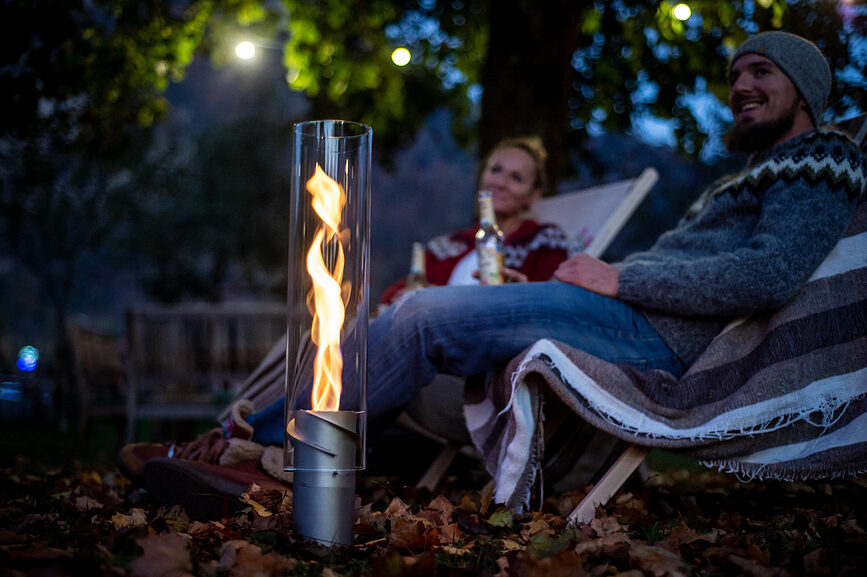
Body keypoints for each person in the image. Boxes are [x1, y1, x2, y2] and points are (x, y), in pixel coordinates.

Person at [123, 32, 865, 512]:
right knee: (393, 318)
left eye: (760, 72)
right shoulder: (749, 171)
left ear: (804, 89)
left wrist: (621, 279)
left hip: (650, 333)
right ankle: (250, 447)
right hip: (626, 312)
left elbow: (769, 274)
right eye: (735, 73)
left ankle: (264, 454)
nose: (740, 84)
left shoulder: (820, 157)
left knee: (419, 317)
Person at [379, 136, 572, 306]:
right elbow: (390, 296)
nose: (500, 183)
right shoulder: (451, 244)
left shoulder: (543, 239)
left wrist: (523, 294)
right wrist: (412, 295)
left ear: (534, 195)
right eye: (495, 170)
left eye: (516, 178)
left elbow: (551, 302)